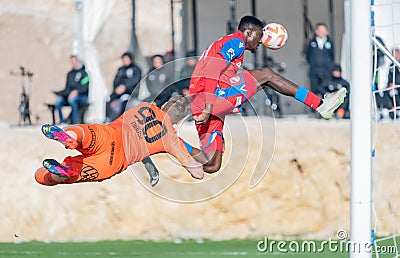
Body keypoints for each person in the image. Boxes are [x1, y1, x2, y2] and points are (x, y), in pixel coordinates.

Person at [187, 15, 346, 173]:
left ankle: (173, 143)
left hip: (201, 102)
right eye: (260, 35)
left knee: (212, 165)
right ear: (249, 32)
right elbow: (212, 70)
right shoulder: (236, 41)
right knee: (267, 75)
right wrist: (208, 105)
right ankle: (319, 104)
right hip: (210, 97)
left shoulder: (229, 43)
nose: (262, 41)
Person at [35, 96, 204, 186]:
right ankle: (62, 173)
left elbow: (137, 137)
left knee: (82, 134)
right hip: (113, 163)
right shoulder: (172, 140)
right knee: (51, 176)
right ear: (180, 120)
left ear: (166, 104)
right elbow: (198, 173)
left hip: (109, 136)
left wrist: (150, 166)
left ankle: (69, 137)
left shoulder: (145, 107)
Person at [105, 52, 142, 123]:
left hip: (129, 92)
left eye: (127, 59)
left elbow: (135, 81)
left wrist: (124, 87)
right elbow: (116, 80)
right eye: (124, 59)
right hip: (118, 92)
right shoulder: (121, 69)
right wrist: (116, 89)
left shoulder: (136, 69)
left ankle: (121, 120)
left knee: (124, 100)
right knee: (108, 98)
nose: (125, 61)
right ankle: (108, 118)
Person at [53, 55, 89, 124]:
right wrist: (60, 93)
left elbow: (85, 87)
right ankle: (62, 121)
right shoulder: (70, 74)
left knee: (72, 99)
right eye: (72, 62)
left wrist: (77, 91)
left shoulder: (84, 74)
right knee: (58, 101)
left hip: (82, 96)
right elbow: (67, 88)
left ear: (78, 61)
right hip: (70, 95)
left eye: (75, 61)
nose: (73, 63)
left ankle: (75, 121)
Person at [305, 22, 335, 95]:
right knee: (314, 93)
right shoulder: (312, 42)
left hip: (326, 72)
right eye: (320, 30)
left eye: (323, 30)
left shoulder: (330, 42)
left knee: (326, 92)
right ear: (316, 31)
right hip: (314, 71)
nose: (322, 32)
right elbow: (308, 55)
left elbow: (332, 56)